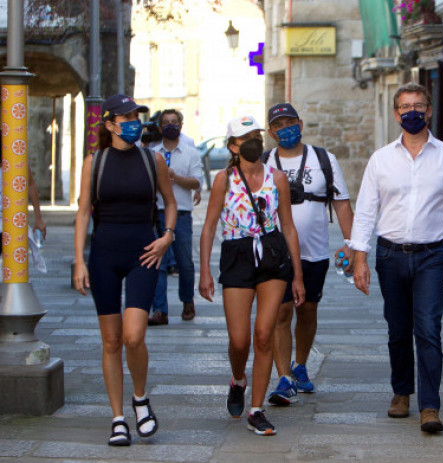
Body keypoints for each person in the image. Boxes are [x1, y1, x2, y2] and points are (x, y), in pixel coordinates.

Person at [350, 83, 443, 433]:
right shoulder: (381, 159)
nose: (412, 112)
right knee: (398, 329)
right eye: (405, 107)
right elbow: (365, 211)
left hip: (433, 256)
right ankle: (401, 392)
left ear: (430, 110)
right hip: (390, 255)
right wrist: (360, 256)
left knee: (429, 329)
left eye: (419, 105)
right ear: (396, 114)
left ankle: (430, 405)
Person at [73, 94, 177, 446]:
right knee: (111, 340)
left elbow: (171, 203)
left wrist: (167, 237)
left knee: (134, 335)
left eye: (137, 116)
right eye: (127, 117)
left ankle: (141, 399)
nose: (134, 122)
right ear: (110, 124)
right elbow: (84, 212)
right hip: (104, 255)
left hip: (143, 254)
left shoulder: (153, 159)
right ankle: (118, 418)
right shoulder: (95, 161)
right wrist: (79, 260)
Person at [198, 115, 305, 436]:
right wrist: (204, 271)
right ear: (233, 146)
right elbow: (209, 226)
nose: (254, 140)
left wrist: (297, 275)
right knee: (239, 339)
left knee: (263, 334)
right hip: (237, 256)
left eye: (256, 134)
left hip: (272, 256)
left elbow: (288, 226)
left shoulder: (278, 178)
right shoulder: (224, 179)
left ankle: (256, 409)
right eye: (246, 136)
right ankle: (238, 380)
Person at [263, 103, 354, 405]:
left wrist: (351, 243)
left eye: (290, 123)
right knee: (281, 312)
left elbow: (341, 203)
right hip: (276, 253)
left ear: (300, 124)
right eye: (279, 125)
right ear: (271, 132)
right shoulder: (266, 162)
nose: (285, 129)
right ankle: (283, 377)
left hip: (314, 250)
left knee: (307, 310)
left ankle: (300, 365)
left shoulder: (323, 159)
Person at [147, 109, 203, 325]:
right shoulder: (153, 153)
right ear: (160, 128)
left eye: (174, 122)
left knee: (184, 262)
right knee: (157, 261)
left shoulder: (190, 153)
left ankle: (187, 300)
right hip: (158, 213)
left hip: (181, 214)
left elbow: (197, 182)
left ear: (181, 125)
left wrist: (175, 177)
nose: (170, 125)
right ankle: (159, 309)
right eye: (166, 122)